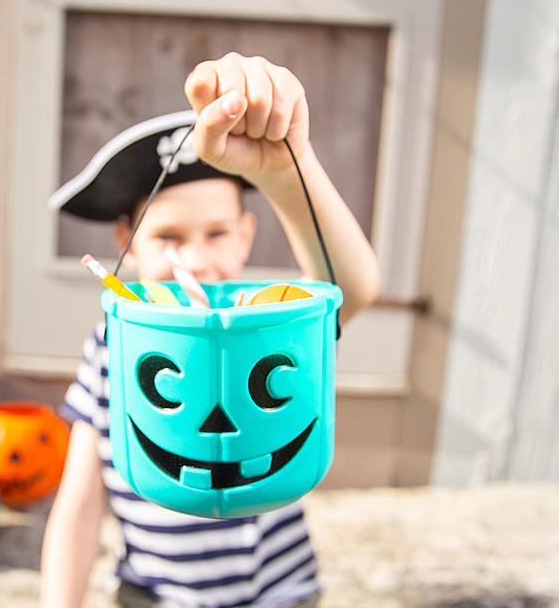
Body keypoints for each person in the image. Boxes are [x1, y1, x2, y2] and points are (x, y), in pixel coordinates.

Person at [40, 52, 379, 608]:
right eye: (169, 237)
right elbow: (79, 505)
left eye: (217, 233)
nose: (194, 260)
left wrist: (286, 173)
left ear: (246, 235)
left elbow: (351, 287)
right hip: (154, 595)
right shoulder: (111, 345)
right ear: (127, 242)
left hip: (278, 595)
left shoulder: (270, 323)